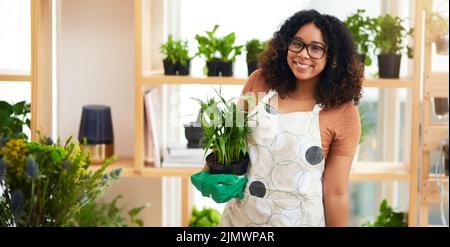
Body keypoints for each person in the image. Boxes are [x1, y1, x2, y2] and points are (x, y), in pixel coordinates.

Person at [195, 9, 363, 227]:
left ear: (332, 57)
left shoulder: (343, 112)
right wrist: (210, 173)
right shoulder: (260, 82)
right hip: (241, 222)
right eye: (297, 44)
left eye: (316, 48)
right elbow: (231, 136)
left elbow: (336, 193)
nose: (303, 54)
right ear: (286, 45)